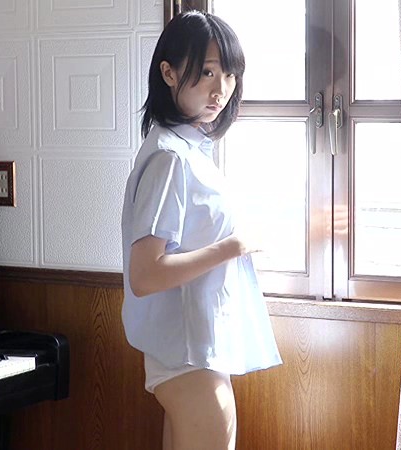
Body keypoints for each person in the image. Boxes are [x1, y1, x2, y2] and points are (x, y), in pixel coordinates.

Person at [120, 10, 282, 450]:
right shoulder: (170, 157)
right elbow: (145, 274)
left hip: (196, 350)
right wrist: (234, 246)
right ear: (169, 73)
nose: (221, 89)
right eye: (208, 72)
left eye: (229, 74)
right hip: (187, 354)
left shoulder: (186, 148)